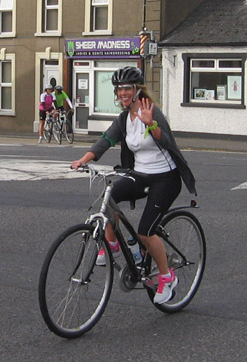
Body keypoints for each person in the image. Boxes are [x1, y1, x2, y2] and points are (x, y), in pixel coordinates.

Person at [71, 66, 196, 304]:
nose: (122, 93)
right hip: (140, 174)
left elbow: (167, 140)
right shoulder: (123, 118)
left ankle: (167, 277)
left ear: (137, 90)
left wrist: (151, 125)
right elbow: (105, 140)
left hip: (165, 178)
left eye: (127, 88)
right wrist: (84, 160)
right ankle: (114, 246)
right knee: (110, 199)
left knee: (145, 231)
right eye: (119, 90)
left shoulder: (151, 111)